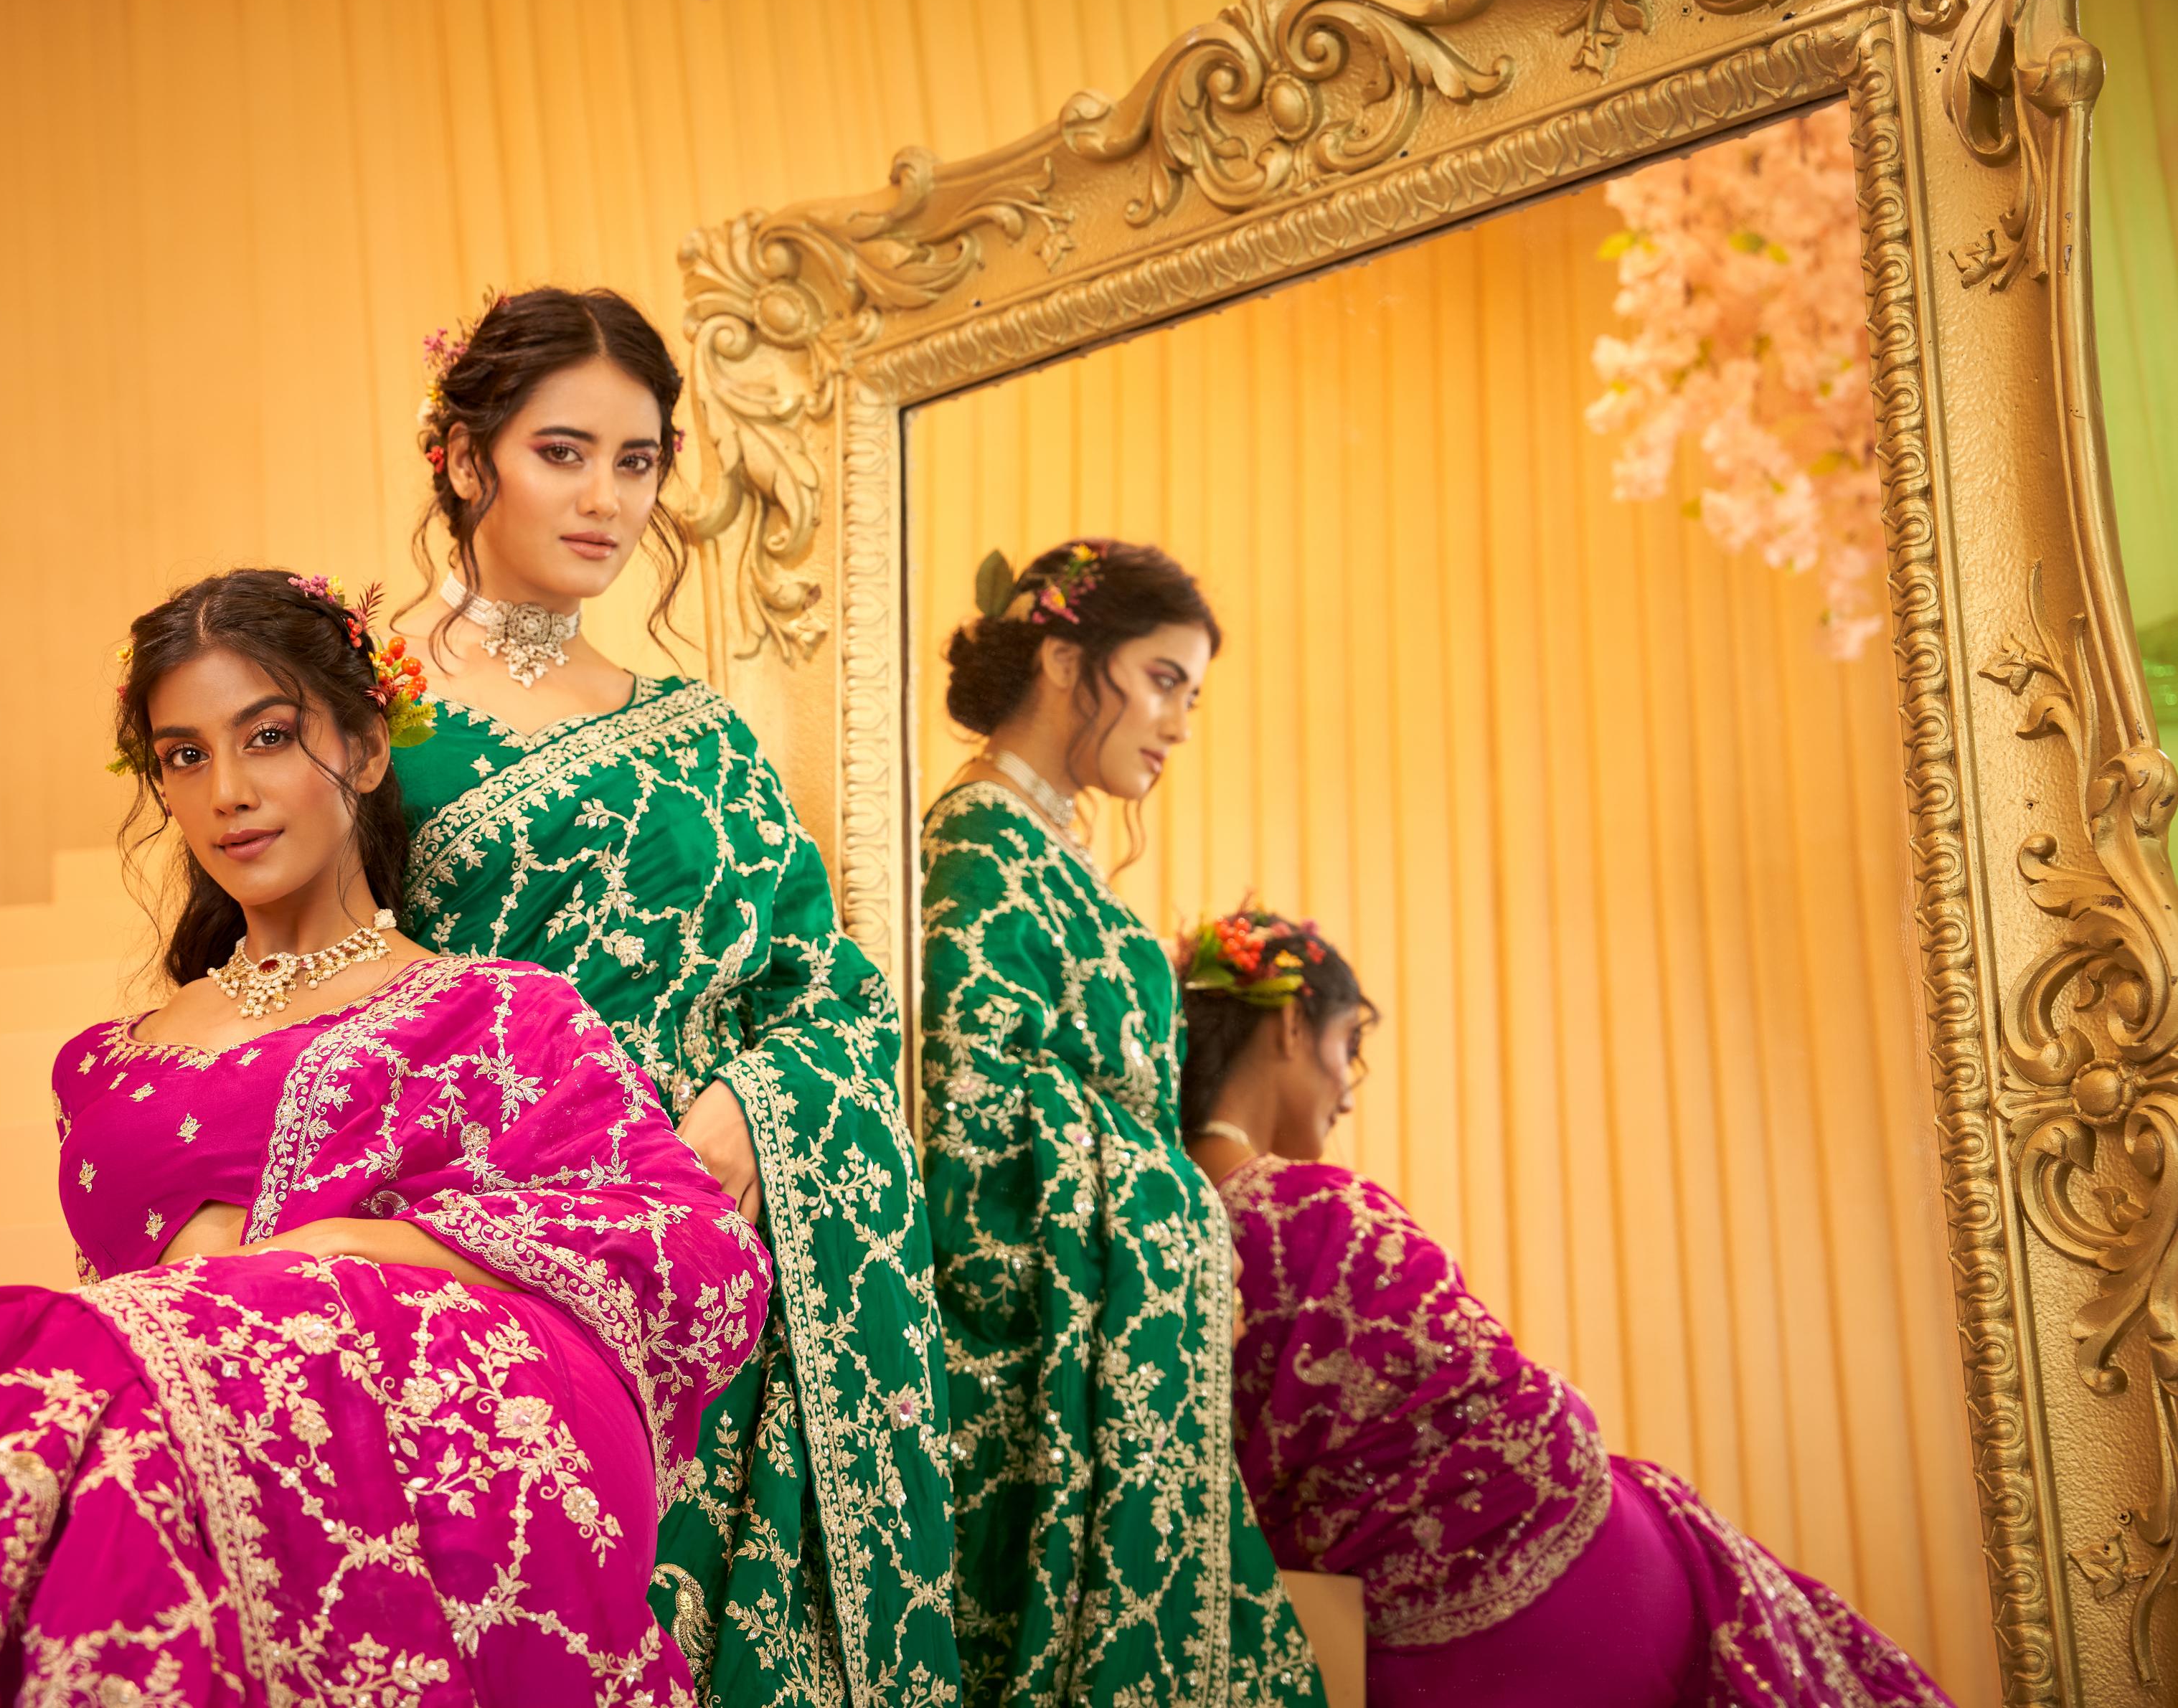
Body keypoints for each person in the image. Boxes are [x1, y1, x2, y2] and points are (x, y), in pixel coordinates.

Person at [0, 567, 768, 1706]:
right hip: (173, 1428)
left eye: (267, 737)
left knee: (59, 1381)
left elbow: (686, 1246)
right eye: (183, 756)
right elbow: (134, 1311)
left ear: (361, 749)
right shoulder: (107, 1066)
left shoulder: (502, 1010)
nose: (227, 790)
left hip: (413, 1442)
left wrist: (331, 1250)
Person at [389, 288, 955, 1707]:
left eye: (637, 461)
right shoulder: (362, 713)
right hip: (509, 1261)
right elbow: (334, 999)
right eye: (562, 452)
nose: (606, 499)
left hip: (744, 1250)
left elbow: (825, 979)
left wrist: (749, 1116)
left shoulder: (701, 726)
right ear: (467, 461)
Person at [1176, 902, 1956, 1707]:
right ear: (1291, 1030)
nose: (1346, 1089)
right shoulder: (1318, 1208)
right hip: (1535, 1620)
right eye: (1348, 1045)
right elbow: (1484, 1409)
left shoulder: (1157, 1221)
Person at [918, 540, 1320, 1706]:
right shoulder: (977, 844)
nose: (1179, 722)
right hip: (1034, 1364)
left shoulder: (1055, 848)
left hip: (1111, 1331)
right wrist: (1156, 1188)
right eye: (1160, 679)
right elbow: (968, 1119)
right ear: (1060, 659)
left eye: (1190, 695)